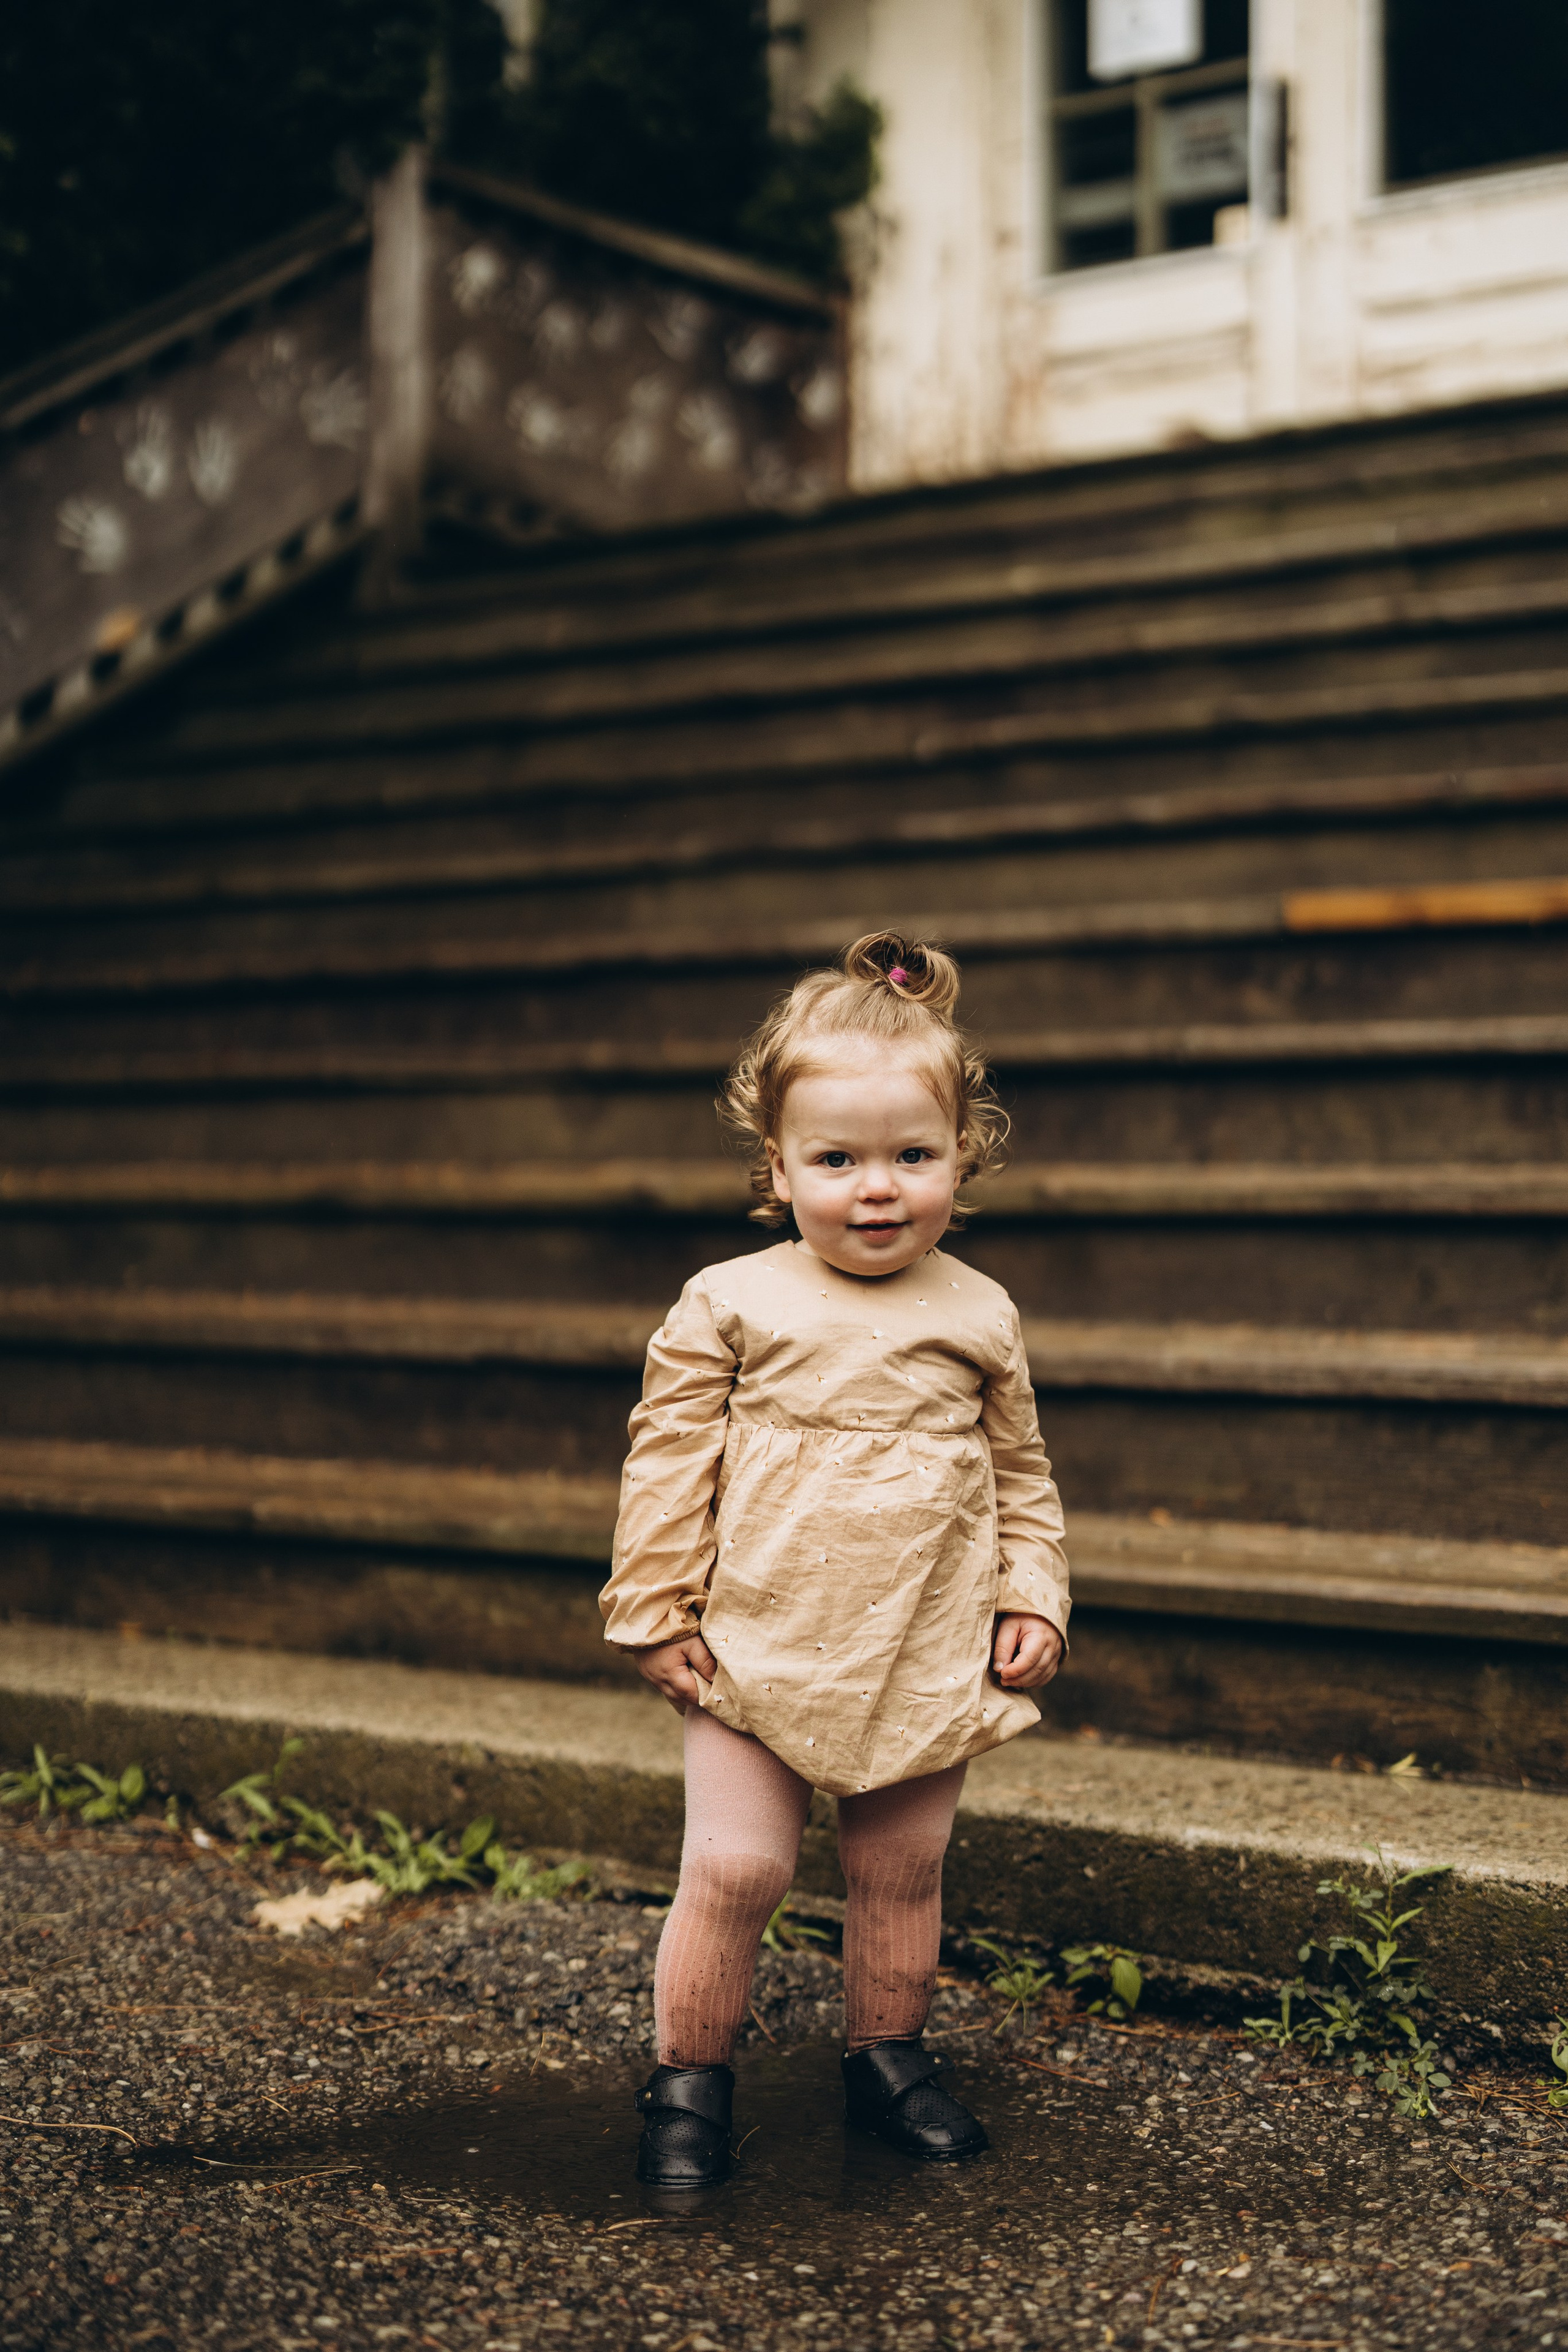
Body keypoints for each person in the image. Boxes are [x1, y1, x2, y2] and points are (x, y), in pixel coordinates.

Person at [600, 931, 1069, 2186]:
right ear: (778, 1165)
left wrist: (1031, 1592)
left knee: (901, 1867)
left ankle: (887, 2058)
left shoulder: (977, 1310)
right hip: (756, 1635)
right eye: (837, 1159)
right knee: (739, 1865)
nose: (877, 1188)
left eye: (911, 1156)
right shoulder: (730, 1299)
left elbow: (1019, 1472)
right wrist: (653, 1608)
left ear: (959, 1157)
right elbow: (666, 1460)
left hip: (921, 1638)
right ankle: (688, 2088)